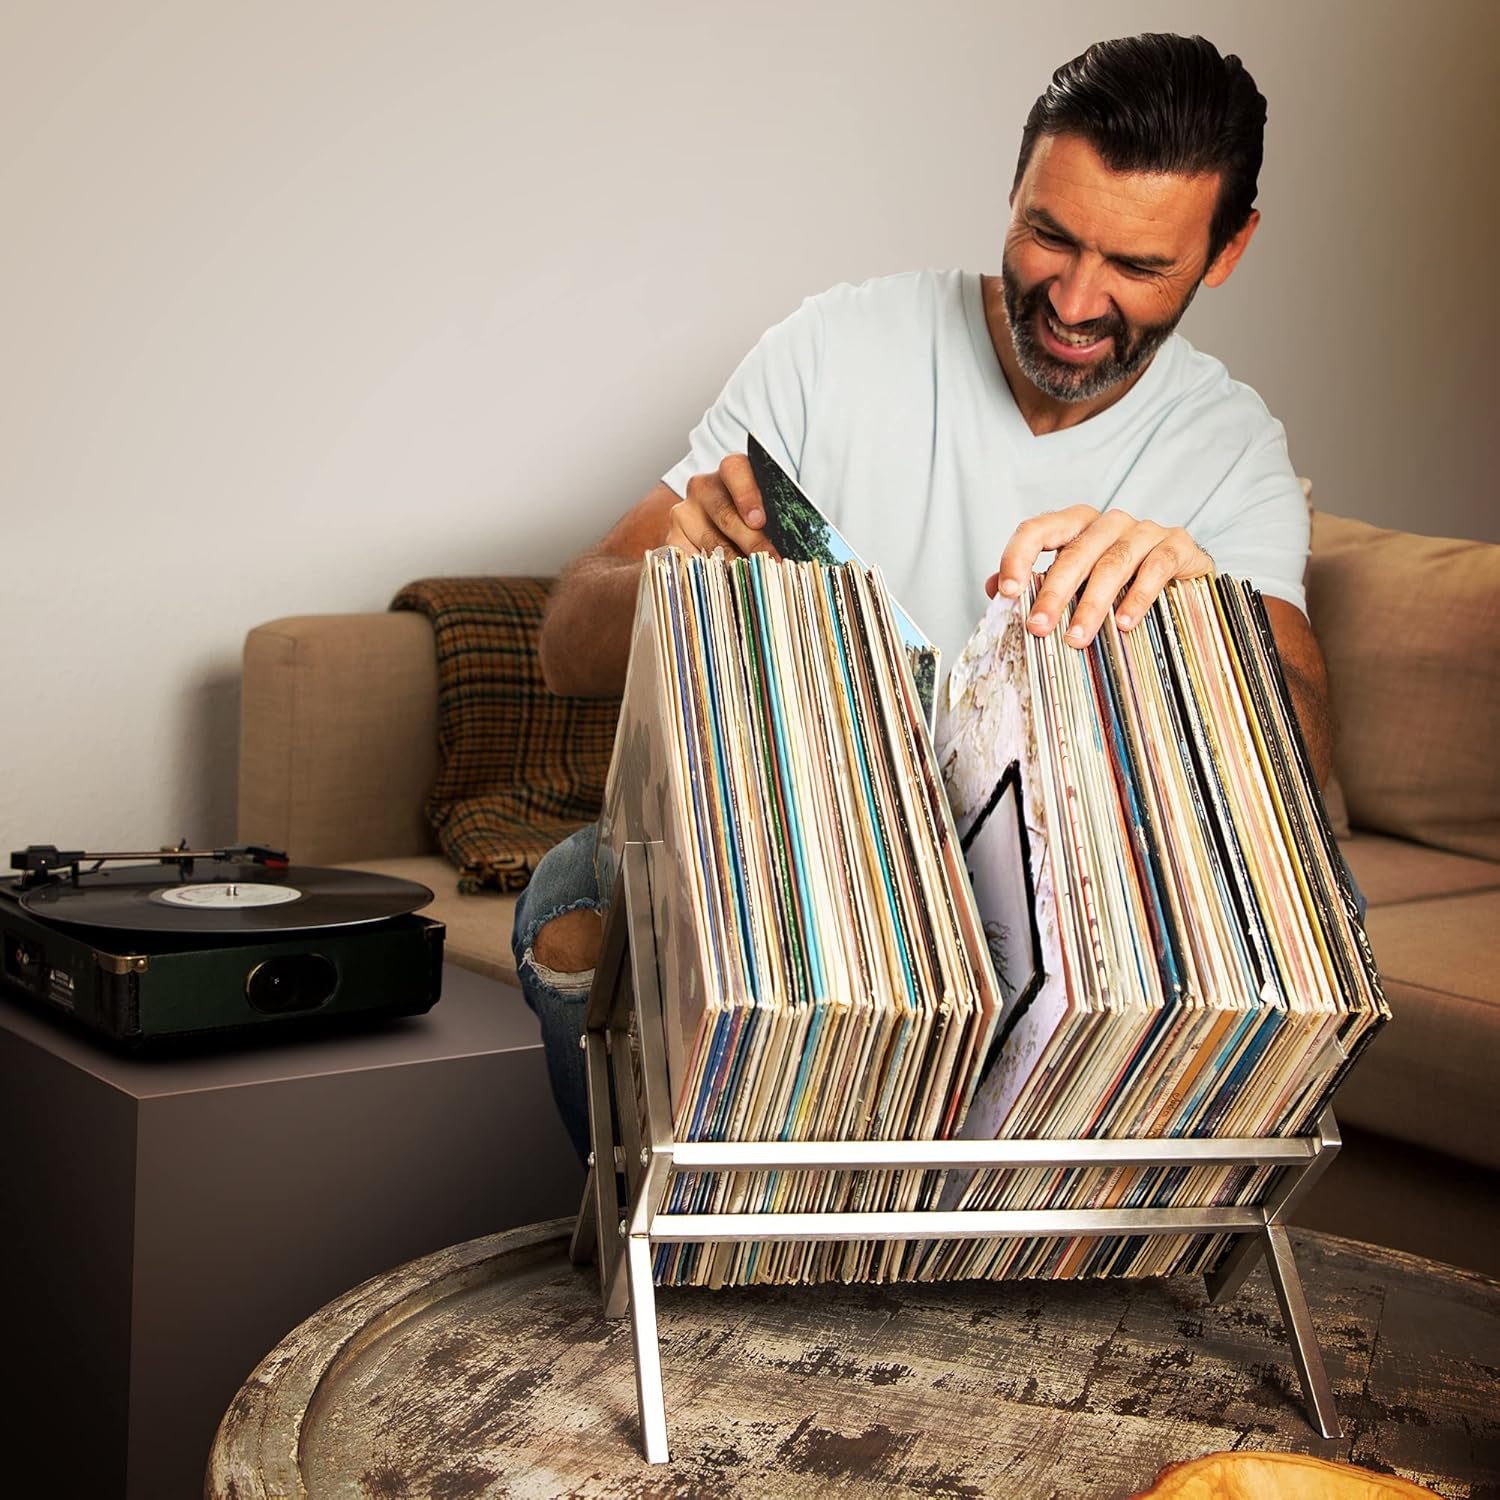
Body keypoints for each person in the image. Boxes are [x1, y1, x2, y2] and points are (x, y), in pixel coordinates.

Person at [513, 32, 1333, 1161]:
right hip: (818, 851)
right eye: (1050, 235)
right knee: (574, 890)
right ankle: (685, 1260)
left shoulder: (1230, 448)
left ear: (1225, 252)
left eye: (1138, 268)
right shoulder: (838, 347)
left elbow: (1312, 765)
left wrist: (1205, 614)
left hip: (1065, 894)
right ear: (1015, 188)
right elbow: (567, 639)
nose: (1076, 299)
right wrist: (679, 575)